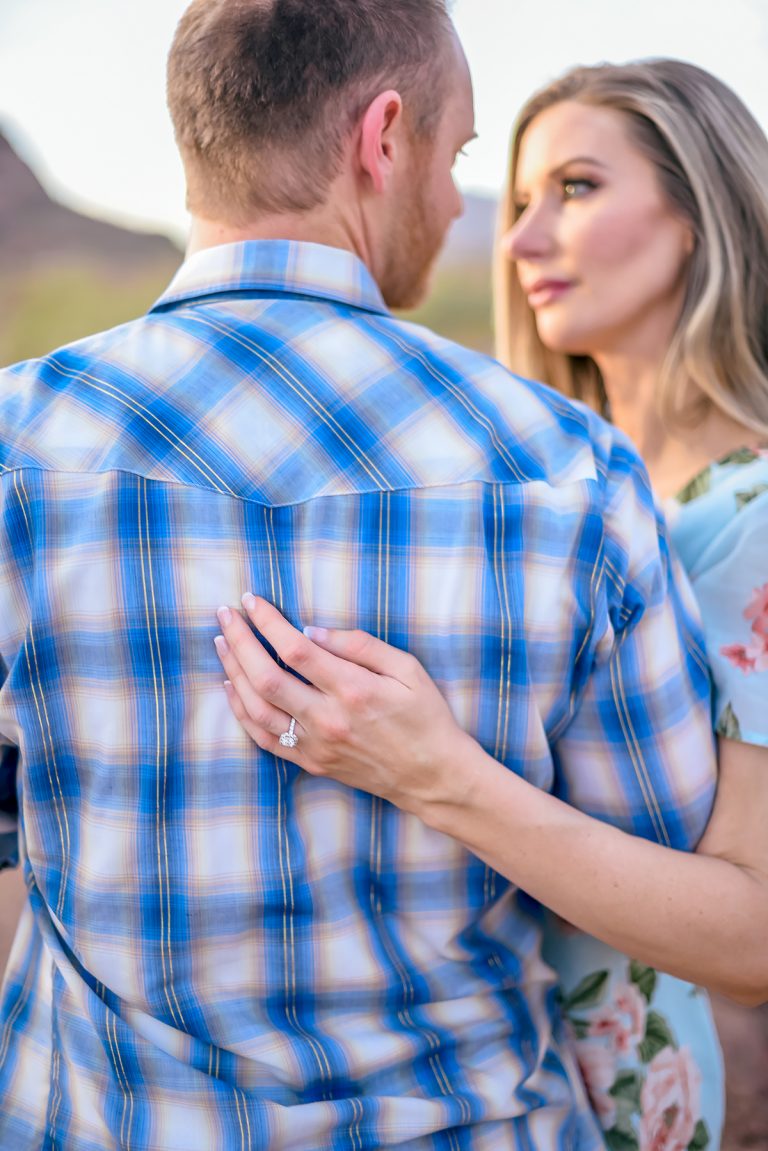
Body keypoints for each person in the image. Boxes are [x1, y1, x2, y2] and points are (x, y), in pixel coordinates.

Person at [0, 5, 718, 1145]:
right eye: (461, 159)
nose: (455, 206)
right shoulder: (563, 469)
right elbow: (667, 863)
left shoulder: (15, 445)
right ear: (383, 139)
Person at [214, 58, 768, 1151]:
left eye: (575, 189)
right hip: (473, 1073)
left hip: (624, 1091)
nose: (518, 247)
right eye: (516, 204)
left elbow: (754, 929)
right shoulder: (556, 492)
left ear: (700, 211)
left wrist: (440, 774)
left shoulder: (748, 519)